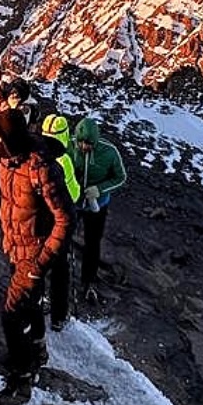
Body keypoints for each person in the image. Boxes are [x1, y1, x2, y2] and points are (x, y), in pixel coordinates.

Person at [0, 108, 74, 405]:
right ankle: (38, 350)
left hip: (35, 253)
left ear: (8, 139)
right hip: (16, 247)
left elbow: (66, 219)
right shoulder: (7, 160)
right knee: (29, 306)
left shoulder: (40, 168)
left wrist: (41, 263)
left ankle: (21, 381)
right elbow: (9, 191)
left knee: (11, 316)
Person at [71, 116, 127, 305]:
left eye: (89, 144)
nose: (85, 147)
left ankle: (88, 281)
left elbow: (120, 177)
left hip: (97, 204)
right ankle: (60, 273)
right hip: (74, 201)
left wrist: (100, 189)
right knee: (63, 236)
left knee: (92, 243)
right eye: (82, 143)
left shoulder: (109, 152)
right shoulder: (70, 147)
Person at [39, 114, 83, 331]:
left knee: (35, 266)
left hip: (36, 220)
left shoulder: (34, 155)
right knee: (60, 270)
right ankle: (58, 316)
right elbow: (74, 193)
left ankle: (36, 305)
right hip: (57, 222)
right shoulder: (63, 160)